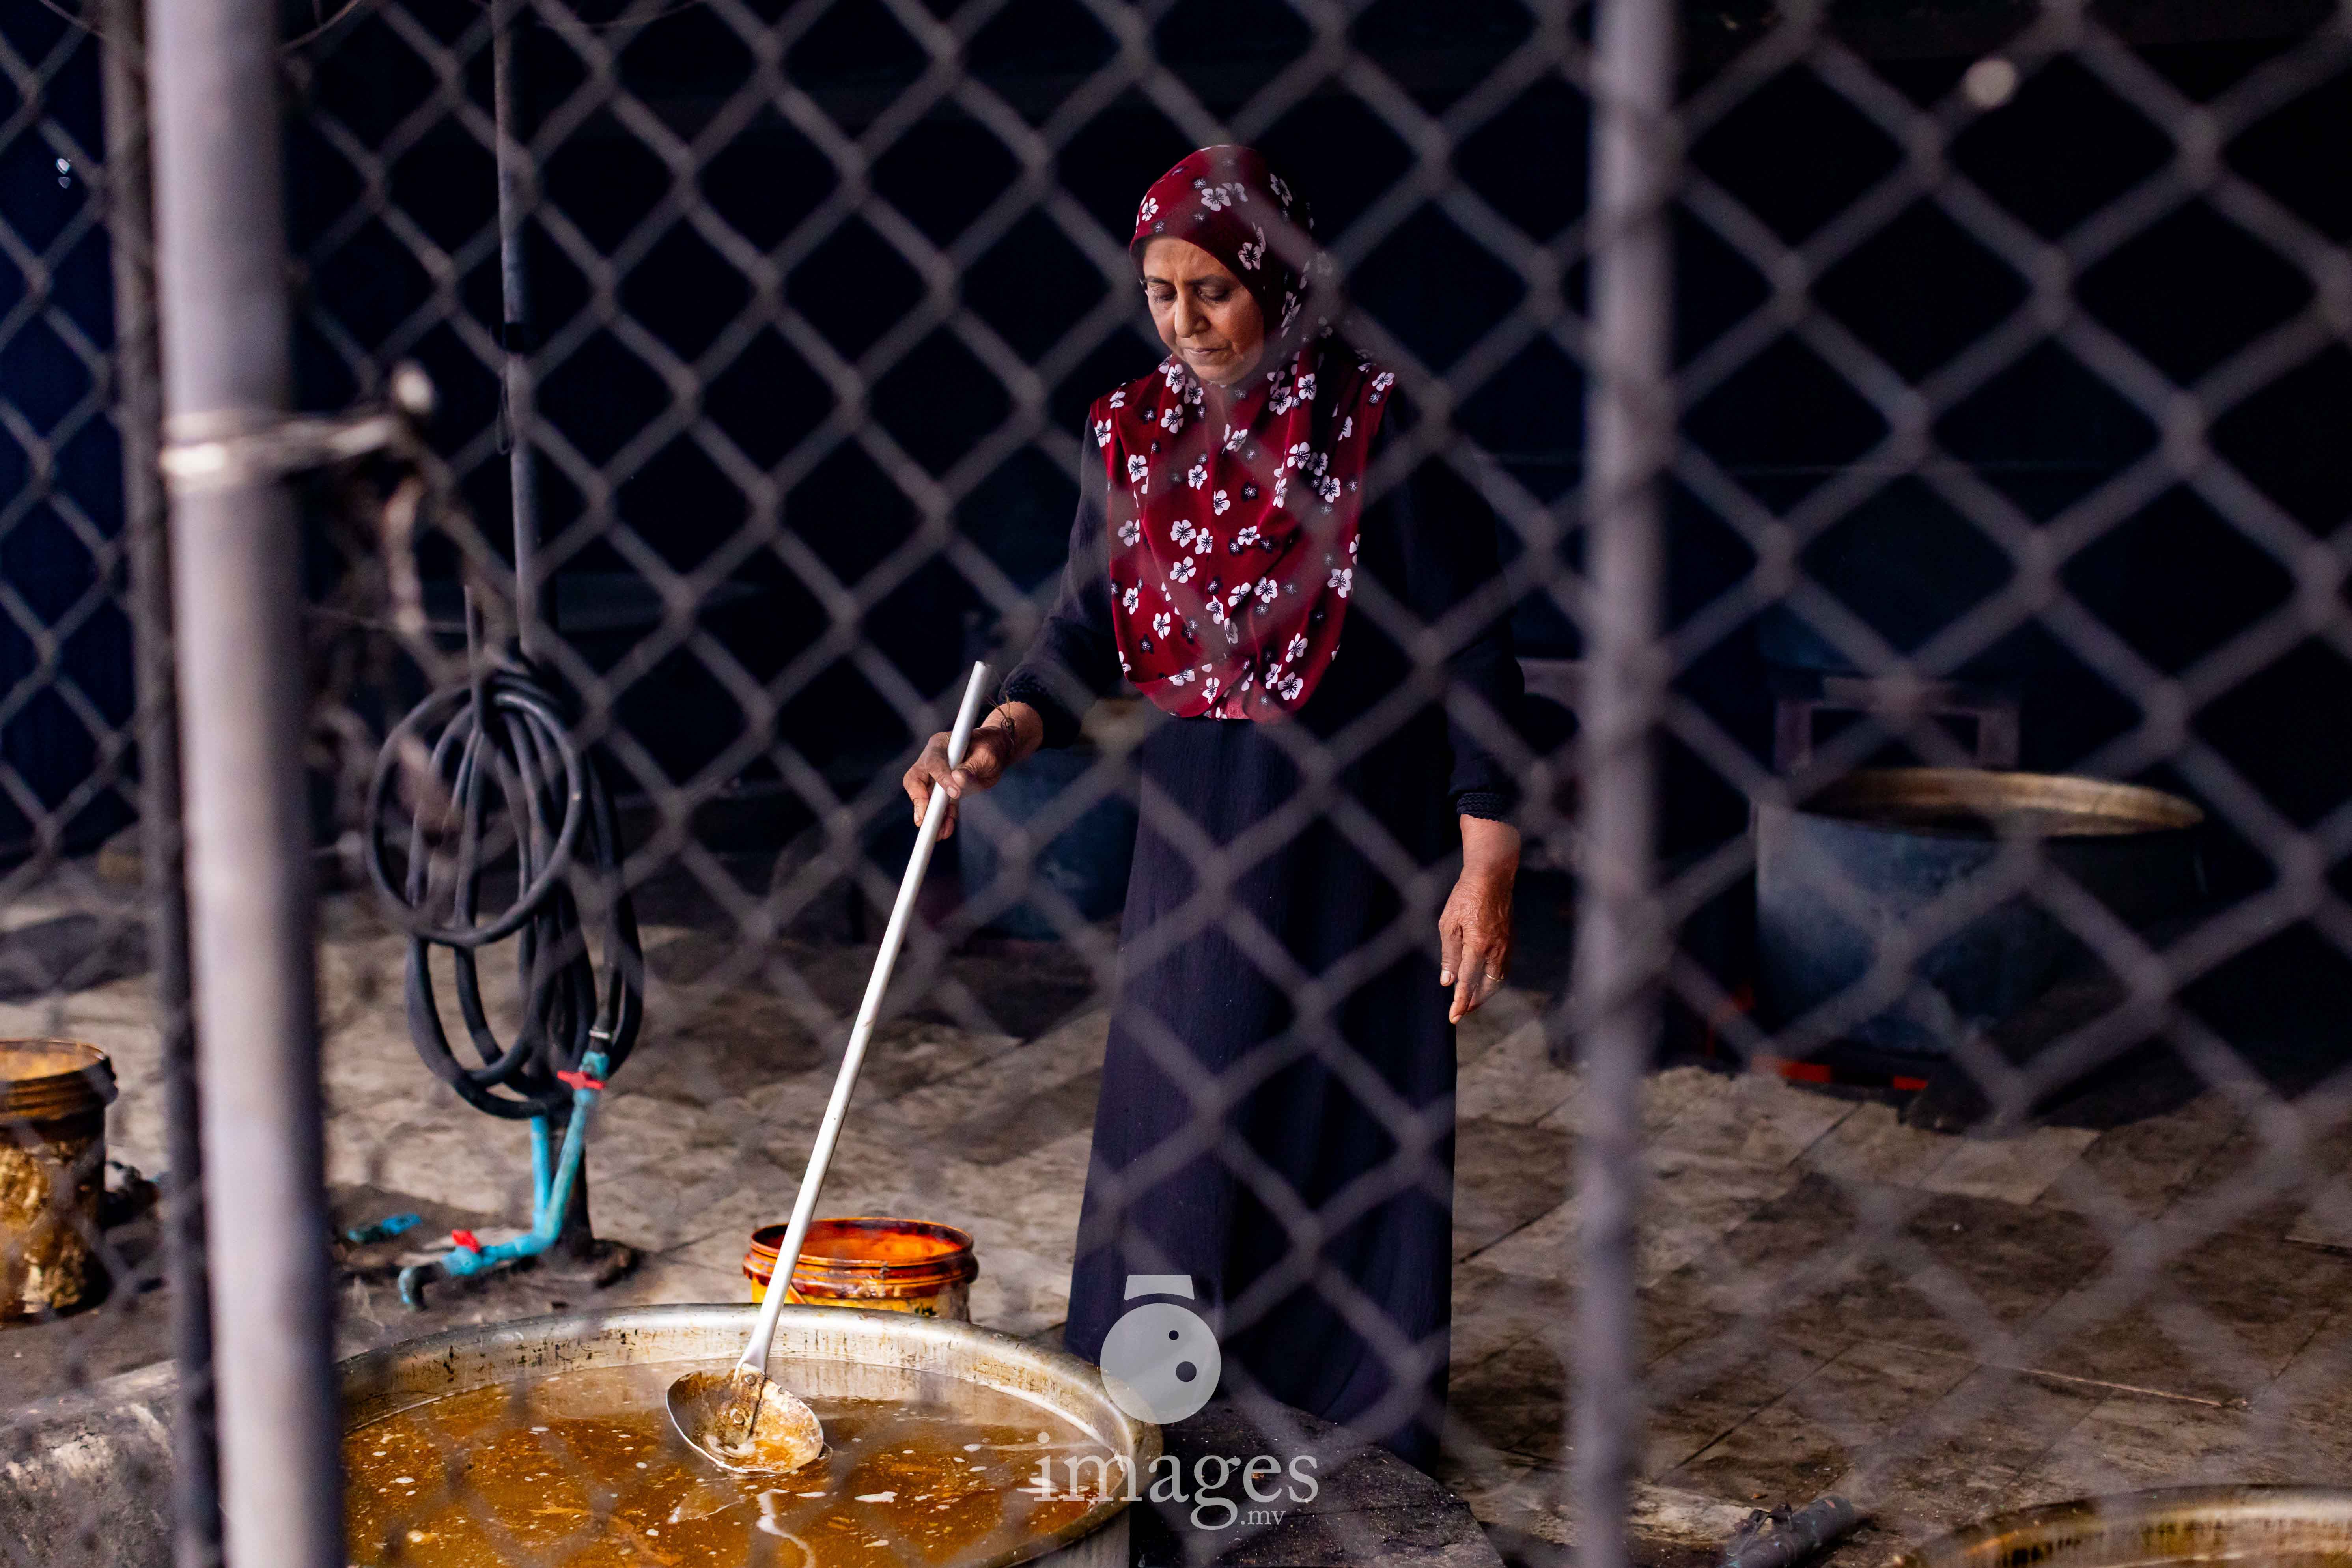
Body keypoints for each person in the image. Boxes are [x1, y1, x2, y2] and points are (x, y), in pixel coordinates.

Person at [902, 145, 1523, 1471]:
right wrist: (993, 741)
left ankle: (1356, 1430)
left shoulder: (1378, 423)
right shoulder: (1129, 430)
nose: (1185, 324)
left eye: (1212, 292)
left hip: (1357, 826)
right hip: (1197, 819)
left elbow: (1474, 649)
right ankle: (1163, 1404)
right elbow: (1077, 636)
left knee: (1341, 1117)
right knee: (1178, 1125)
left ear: (1282, 282)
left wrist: (1487, 858)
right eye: (1158, 294)